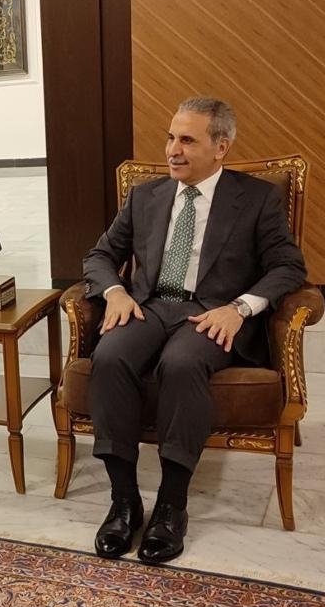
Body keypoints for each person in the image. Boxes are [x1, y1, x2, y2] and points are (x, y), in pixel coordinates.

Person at [83, 97, 306, 564]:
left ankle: (171, 505)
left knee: (182, 364)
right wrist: (116, 292)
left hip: (212, 312)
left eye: (187, 140)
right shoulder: (145, 196)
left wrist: (240, 309)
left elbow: (288, 267)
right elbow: (100, 255)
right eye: (170, 138)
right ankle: (124, 501)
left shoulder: (256, 199)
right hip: (149, 306)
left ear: (220, 147)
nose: (172, 150)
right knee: (109, 356)